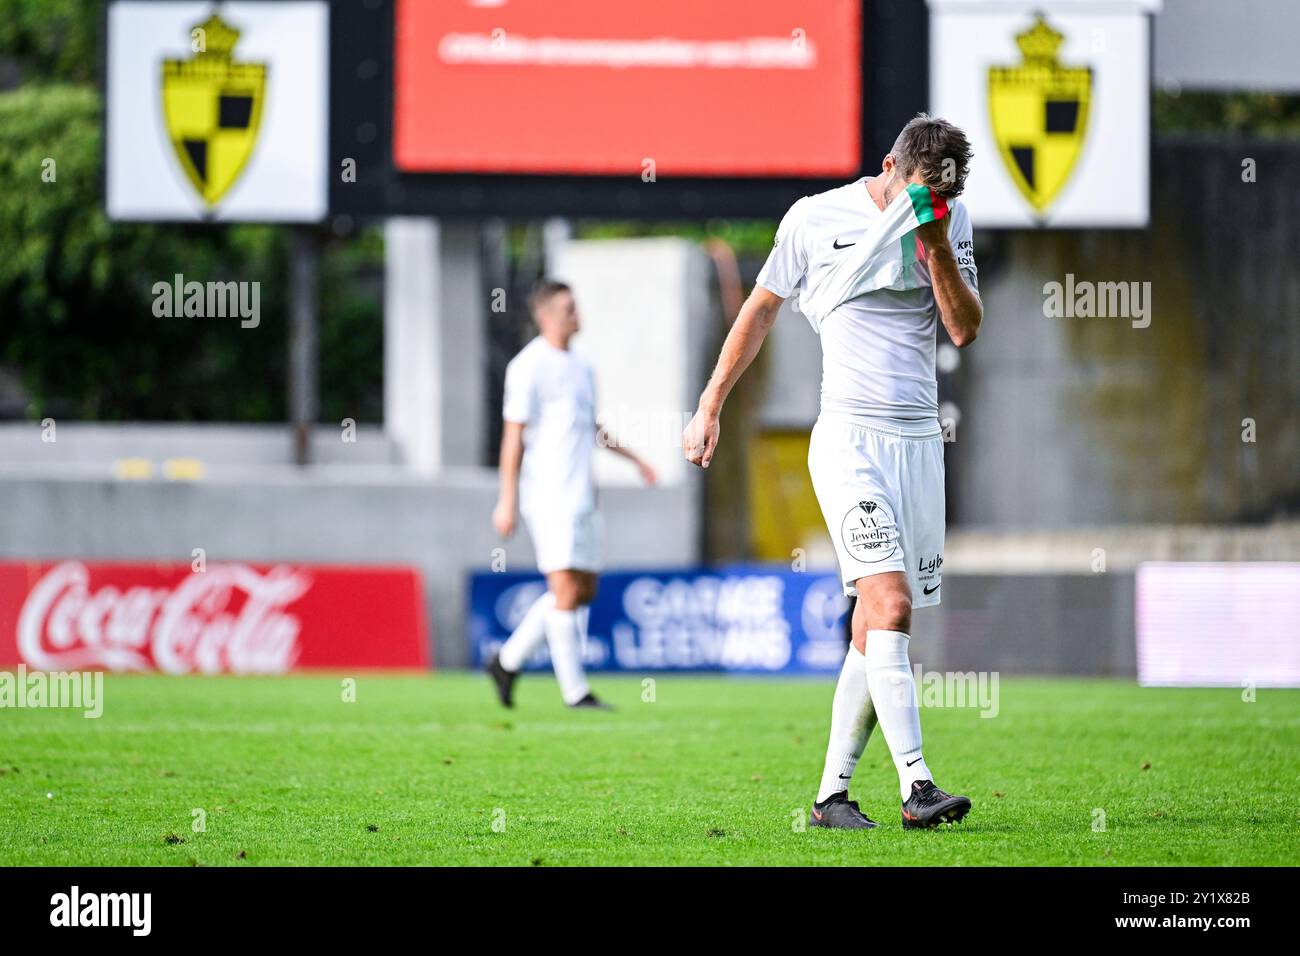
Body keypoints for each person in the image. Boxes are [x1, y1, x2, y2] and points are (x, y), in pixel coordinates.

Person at [683, 115, 982, 829]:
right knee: (893, 604)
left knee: (870, 627)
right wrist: (709, 404)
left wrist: (937, 243)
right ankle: (918, 787)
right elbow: (760, 308)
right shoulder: (817, 219)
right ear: (889, 166)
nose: (930, 205)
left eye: (942, 197)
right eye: (921, 194)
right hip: (848, 439)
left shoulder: (949, 218)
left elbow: (965, 327)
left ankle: (830, 798)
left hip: (917, 443)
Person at [487, 279, 657, 709]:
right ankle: (575, 692)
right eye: (568, 309)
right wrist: (505, 498)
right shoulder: (528, 366)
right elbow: (513, 437)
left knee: (583, 589)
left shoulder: (582, 363)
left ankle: (506, 661)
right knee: (563, 588)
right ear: (545, 315)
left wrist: (633, 458)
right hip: (547, 494)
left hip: (582, 494)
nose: (577, 315)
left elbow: (590, 426)